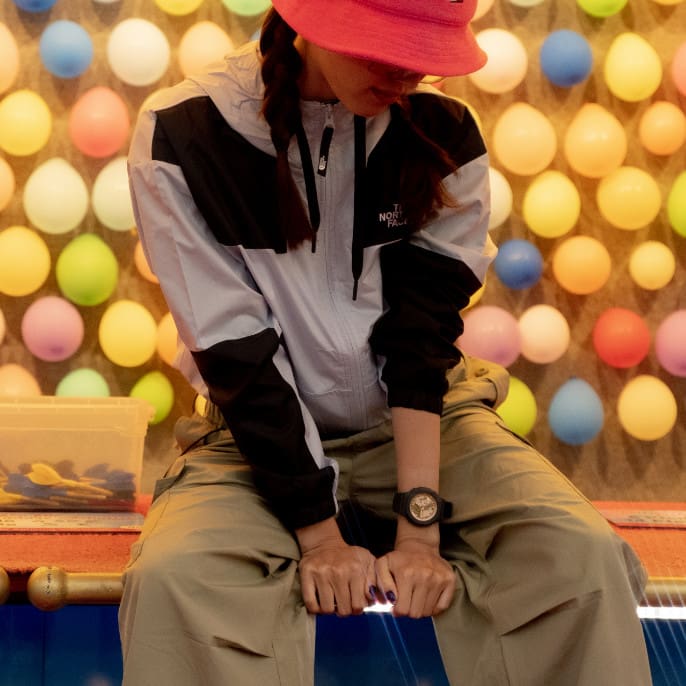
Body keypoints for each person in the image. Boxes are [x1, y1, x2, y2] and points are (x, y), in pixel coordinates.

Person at [119, 1, 653, 684]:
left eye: (421, 53)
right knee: (174, 577)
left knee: (582, 557)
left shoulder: (443, 132)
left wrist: (419, 527)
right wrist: (319, 534)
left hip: (431, 424)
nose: (407, 73)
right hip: (253, 440)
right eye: (384, 47)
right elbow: (235, 353)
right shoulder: (183, 132)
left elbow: (419, 342)